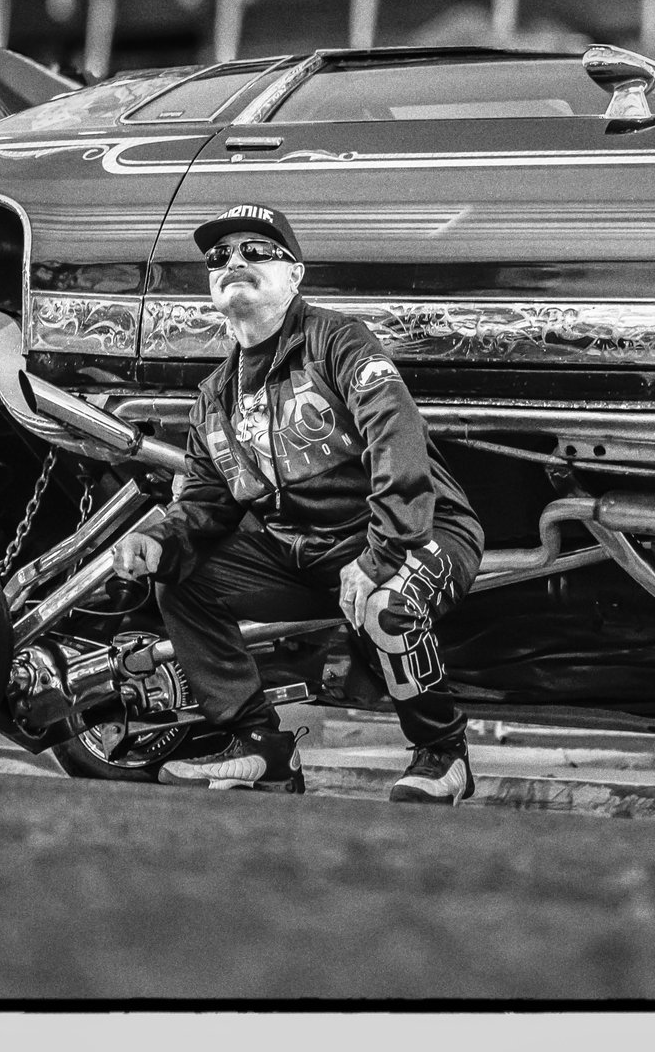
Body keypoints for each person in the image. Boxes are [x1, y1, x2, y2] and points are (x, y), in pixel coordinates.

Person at [110, 203, 486, 804]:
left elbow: (397, 436)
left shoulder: (337, 340)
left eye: (256, 252)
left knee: (387, 606)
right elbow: (208, 498)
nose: (234, 262)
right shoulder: (214, 396)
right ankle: (259, 746)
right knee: (178, 574)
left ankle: (443, 753)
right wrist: (159, 539)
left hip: (414, 531)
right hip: (304, 555)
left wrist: (382, 552)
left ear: (295, 275)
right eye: (219, 257)